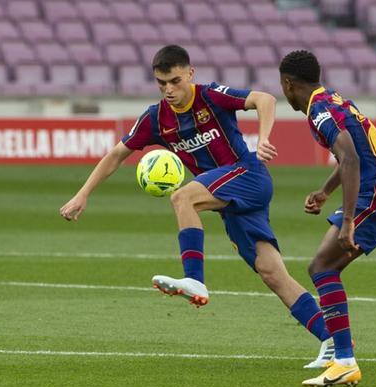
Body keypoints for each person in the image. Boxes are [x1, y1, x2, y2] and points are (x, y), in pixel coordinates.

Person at [59, 44, 335, 369]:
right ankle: (334, 341)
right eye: (161, 83)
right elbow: (116, 155)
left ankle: (194, 278)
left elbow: (265, 99)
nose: (169, 90)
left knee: (182, 196)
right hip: (228, 200)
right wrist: (83, 194)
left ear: (190, 74)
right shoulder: (155, 118)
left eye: (175, 81)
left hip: (248, 175)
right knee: (272, 273)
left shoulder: (210, 96)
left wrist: (262, 138)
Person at [279, 50, 376, 387]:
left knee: (322, 267)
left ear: (287, 84)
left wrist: (347, 221)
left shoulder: (319, 110)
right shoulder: (334, 98)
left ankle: (343, 359)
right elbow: (353, 154)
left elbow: (349, 158)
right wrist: (325, 191)